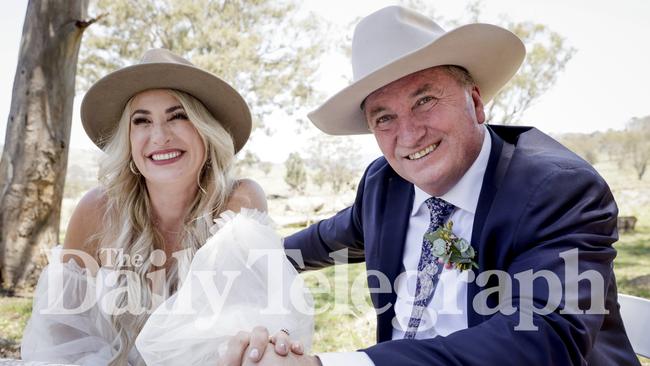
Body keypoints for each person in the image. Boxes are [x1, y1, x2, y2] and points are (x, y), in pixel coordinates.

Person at [226, 6, 640, 366]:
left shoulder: (557, 190)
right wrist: (244, 262)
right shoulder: (383, 184)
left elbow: (543, 341)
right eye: (384, 118)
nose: (408, 135)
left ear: (475, 102)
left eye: (424, 100)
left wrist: (325, 365)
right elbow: (328, 240)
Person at [20, 48, 310, 365]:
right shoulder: (97, 210)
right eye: (141, 121)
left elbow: (248, 325)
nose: (159, 136)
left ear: (205, 129)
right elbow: (60, 338)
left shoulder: (238, 200)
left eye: (178, 116)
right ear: (128, 141)